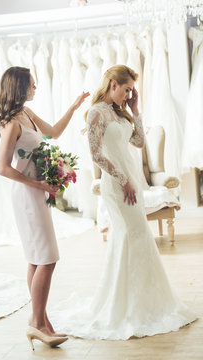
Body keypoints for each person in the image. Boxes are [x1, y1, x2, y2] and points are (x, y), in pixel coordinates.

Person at [51, 65, 197, 340]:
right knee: (128, 236)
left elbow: (140, 142)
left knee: (139, 236)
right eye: (126, 88)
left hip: (131, 181)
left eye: (131, 89)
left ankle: (144, 300)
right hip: (117, 184)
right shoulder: (96, 112)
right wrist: (122, 180)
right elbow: (96, 155)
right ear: (112, 84)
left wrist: (136, 109)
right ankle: (123, 305)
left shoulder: (121, 112)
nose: (128, 93)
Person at [0, 66, 89, 349]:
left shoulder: (27, 114)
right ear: (20, 87)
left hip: (35, 193)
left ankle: (42, 322)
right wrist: (39, 185)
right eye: (32, 85)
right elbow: (2, 168)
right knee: (47, 258)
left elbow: (54, 134)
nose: (36, 88)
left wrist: (73, 107)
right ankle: (37, 323)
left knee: (37, 259)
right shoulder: (12, 123)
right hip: (27, 195)